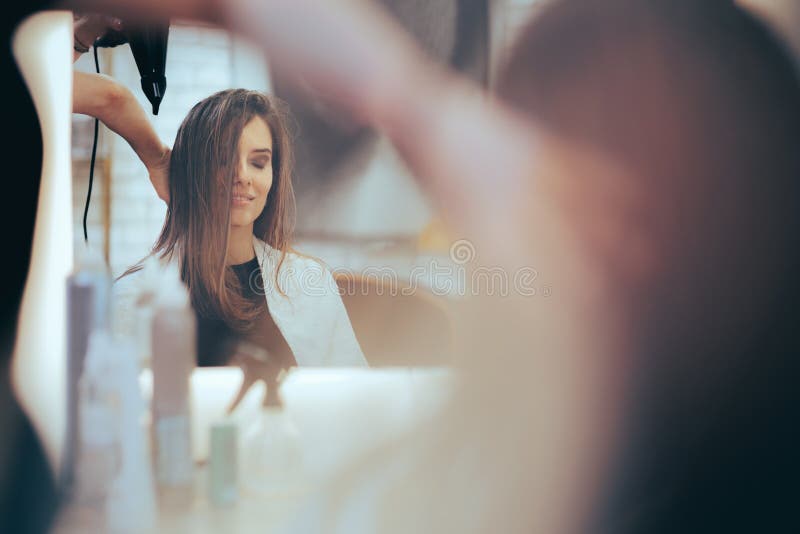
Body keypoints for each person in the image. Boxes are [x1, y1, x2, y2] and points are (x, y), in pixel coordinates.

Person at [113, 89, 366, 371]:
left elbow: (354, 396)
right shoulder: (131, 298)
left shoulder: (312, 283)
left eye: (258, 163)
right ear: (192, 170)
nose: (242, 176)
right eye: (223, 159)